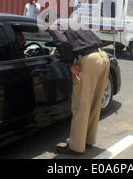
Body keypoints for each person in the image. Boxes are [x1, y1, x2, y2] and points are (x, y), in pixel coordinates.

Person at [47, 18, 110, 154]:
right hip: (103, 56)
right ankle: (88, 140)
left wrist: (71, 64)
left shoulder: (53, 25)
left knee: (81, 105)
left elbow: (63, 42)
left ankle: (76, 146)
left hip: (89, 60)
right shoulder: (71, 21)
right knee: (94, 103)